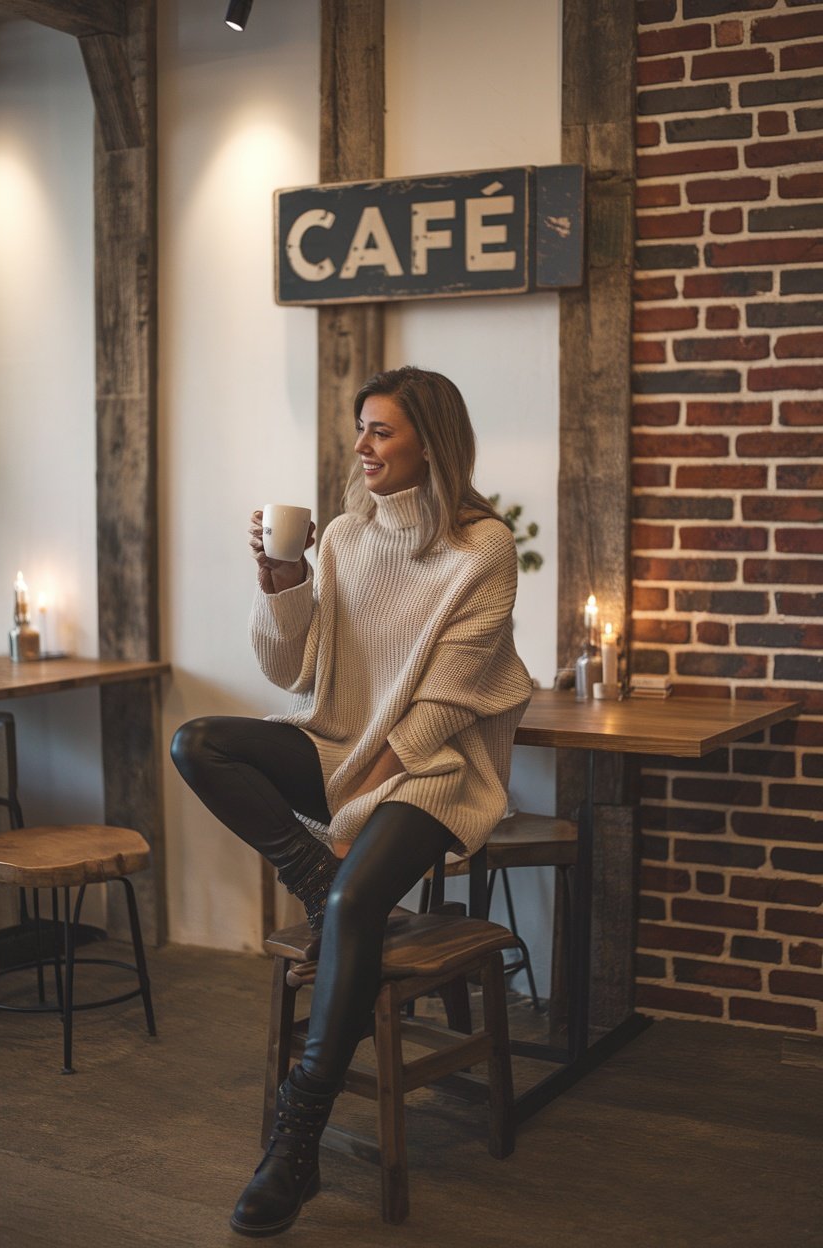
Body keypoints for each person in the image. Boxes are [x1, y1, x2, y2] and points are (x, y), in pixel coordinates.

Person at [170, 365, 532, 1236]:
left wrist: (353, 805)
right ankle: (314, 880)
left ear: (430, 444)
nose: (362, 446)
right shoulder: (339, 535)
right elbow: (290, 672)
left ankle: (295, 1142)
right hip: (339, 744)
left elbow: (444, 704)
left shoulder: (480, 547)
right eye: (360, 428)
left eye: (382, 431)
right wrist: (279, 583)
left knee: (357, 895)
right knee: (199, 742)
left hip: (431, 771)